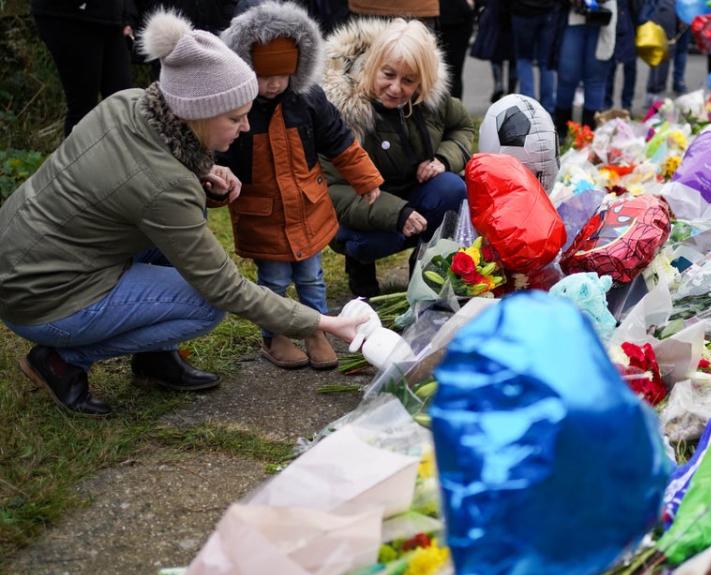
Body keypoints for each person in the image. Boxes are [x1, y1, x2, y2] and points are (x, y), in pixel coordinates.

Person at [0, 11, 367, 417]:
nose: (245, 127)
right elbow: (224, 288)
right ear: (196, 112)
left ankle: (155, 360)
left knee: (176, 247)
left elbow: (132, 177)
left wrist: (203, 169)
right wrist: (321, 323)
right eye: (234, 117)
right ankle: (61, 360)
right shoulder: (164, 187)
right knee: (204, 307)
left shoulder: (127, 104)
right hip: (41, 299)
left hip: (21, 255)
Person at [219, 1, 384, 370]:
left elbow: (339, 140)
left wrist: (366, 177)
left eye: (282, 74)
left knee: (312, 276)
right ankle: (274, 335)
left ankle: (316, 328)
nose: (274, 83)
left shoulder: (308, 100)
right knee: (273, 281)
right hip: (263, 215)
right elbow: (220, 160)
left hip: (308, 209)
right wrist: (215, 187)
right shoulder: (236, 109)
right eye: (263, 75)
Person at [321, 18, 474, 298]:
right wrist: (396, 213)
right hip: (361, 206)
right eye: (387, 75)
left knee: (452, 189)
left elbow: (462, 127)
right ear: (372, 66)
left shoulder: (431, 101)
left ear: (422, 80)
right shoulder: (340, 112)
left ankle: (425, 268)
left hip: (414, 194)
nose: (395, 88)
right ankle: (360, 269)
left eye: (408, 80)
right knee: (374, 240)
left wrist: (443, 159)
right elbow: (333, 190)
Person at [31, 0, 137, 137]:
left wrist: (128, 13)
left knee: (123, 105)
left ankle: (119, 157)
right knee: (83, 110)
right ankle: (76, 157)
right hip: (70, 18)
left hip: (112, 18)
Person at [554, 0, 618, 133]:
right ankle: (561, 132)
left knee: (595, 80)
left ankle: (588, 136)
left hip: (603, 18)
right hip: (574, 17)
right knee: (567, 76)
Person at [510, 0, 562, 115]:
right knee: (546, 62)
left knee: (524, 59)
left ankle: (529, 109)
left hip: (522, 10)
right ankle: (548, 109)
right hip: (548, 10)